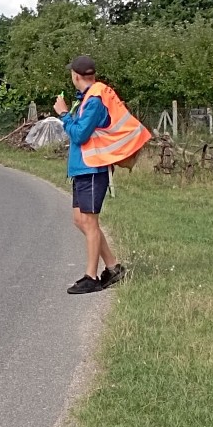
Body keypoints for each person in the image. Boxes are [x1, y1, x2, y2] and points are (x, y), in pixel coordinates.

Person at [53, 55, 150, 295]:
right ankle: (113, 267)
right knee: (80, 220)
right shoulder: (87, 97)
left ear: (76, 76)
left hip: (93, 168)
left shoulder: (95, 99)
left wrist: (64, 114)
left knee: (90, 222)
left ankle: (91, 276)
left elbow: (79, 135)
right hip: (83, 168)